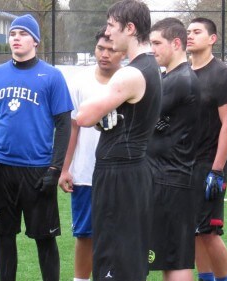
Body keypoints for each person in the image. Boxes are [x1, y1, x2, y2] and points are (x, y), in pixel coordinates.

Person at [0, 13, 73, 281]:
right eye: (12, 34)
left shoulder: (51, 76)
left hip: (38, 169)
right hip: (1, 167)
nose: (16, 38)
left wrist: (56, 167)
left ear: (36, 40)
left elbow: (64, 124)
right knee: (3, 237)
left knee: (45, 239)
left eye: (23, 34)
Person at [75, 1, 162, 280]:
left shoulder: (131, 72)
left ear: (130, 28)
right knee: (128, 257)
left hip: (119, 173)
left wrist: (101, 112)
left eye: (112, 25)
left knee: (114, 260)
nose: (108, 33)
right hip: (132, 169)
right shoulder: (151, 67)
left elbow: (84, 116)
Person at [58, 26, 124, 281]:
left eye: (111, 49)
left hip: (121, 173)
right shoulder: (79, 83)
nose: (105, 54)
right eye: (100, 48)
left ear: (122, 52)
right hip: (86, 172)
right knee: (85, 235)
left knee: (118, 233)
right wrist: (65, 168)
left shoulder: (131, 80)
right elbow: (72, 128)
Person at [147, 17, 200, 281]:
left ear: (176, 43)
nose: (152, 49)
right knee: (171, 257)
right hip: (168, 178)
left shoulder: (179, 80)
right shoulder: (173, 77)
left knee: (176, 259)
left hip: (170, 180)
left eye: (157, 43)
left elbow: (142, 116)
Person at [186, 17, 227, 281]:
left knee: (208, 231)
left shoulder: (222, 74)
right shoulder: (183, 72)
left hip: (210, 163)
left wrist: (217, 170)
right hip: (184, 163)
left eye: (197, 32)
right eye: (188, 32)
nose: (190, 36)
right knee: (192, 230)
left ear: (212, 39)